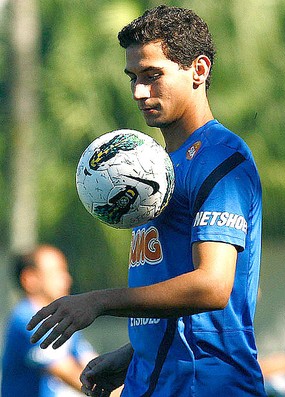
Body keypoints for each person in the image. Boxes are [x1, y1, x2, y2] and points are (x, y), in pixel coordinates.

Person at [27, 5, 267, 396]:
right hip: (153, 382)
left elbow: (212, 285)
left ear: (199, 70)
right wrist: (133, 353)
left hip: (205, 385)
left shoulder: (221, 158)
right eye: (134, 77)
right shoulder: (153, 169)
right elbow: (174, 296)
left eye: (153, 76)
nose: (140, 91)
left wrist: (99, 301)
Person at [1, 244, 97, 397]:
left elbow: (93, 365)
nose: (67, 279)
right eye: (56, 272)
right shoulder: (26, 319)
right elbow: (72, 375)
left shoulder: (63, 320)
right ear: (30, 279)